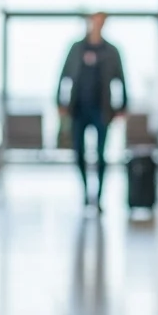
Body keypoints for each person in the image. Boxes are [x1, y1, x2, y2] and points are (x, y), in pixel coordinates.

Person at [57, 13, 127, 210]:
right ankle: (86, 193)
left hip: (102, 110)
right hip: (78, 109)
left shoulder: (111, 51)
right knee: (78, 153)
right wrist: (59, 103)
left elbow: (121, 79)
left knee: (100, 154)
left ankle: (99, 197)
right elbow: (63, 75)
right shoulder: (77, 48)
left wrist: (122, 106)